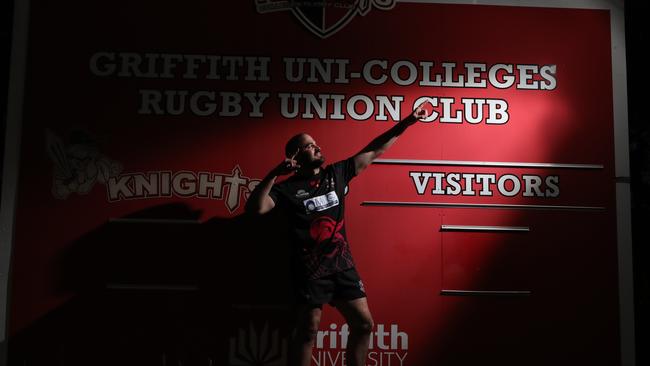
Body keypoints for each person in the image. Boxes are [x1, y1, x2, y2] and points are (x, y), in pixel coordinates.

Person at [245, 103, 430, 366]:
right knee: (308, 331)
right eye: (310, 145)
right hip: (310, 271)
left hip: (342, 267)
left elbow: (375, 149)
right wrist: (275, 173)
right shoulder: (286, 190)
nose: (317, 147)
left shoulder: (337, 173)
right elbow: (255, 209)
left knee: (364, 325)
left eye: (316, 143)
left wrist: (407, 122)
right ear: (295, 155)